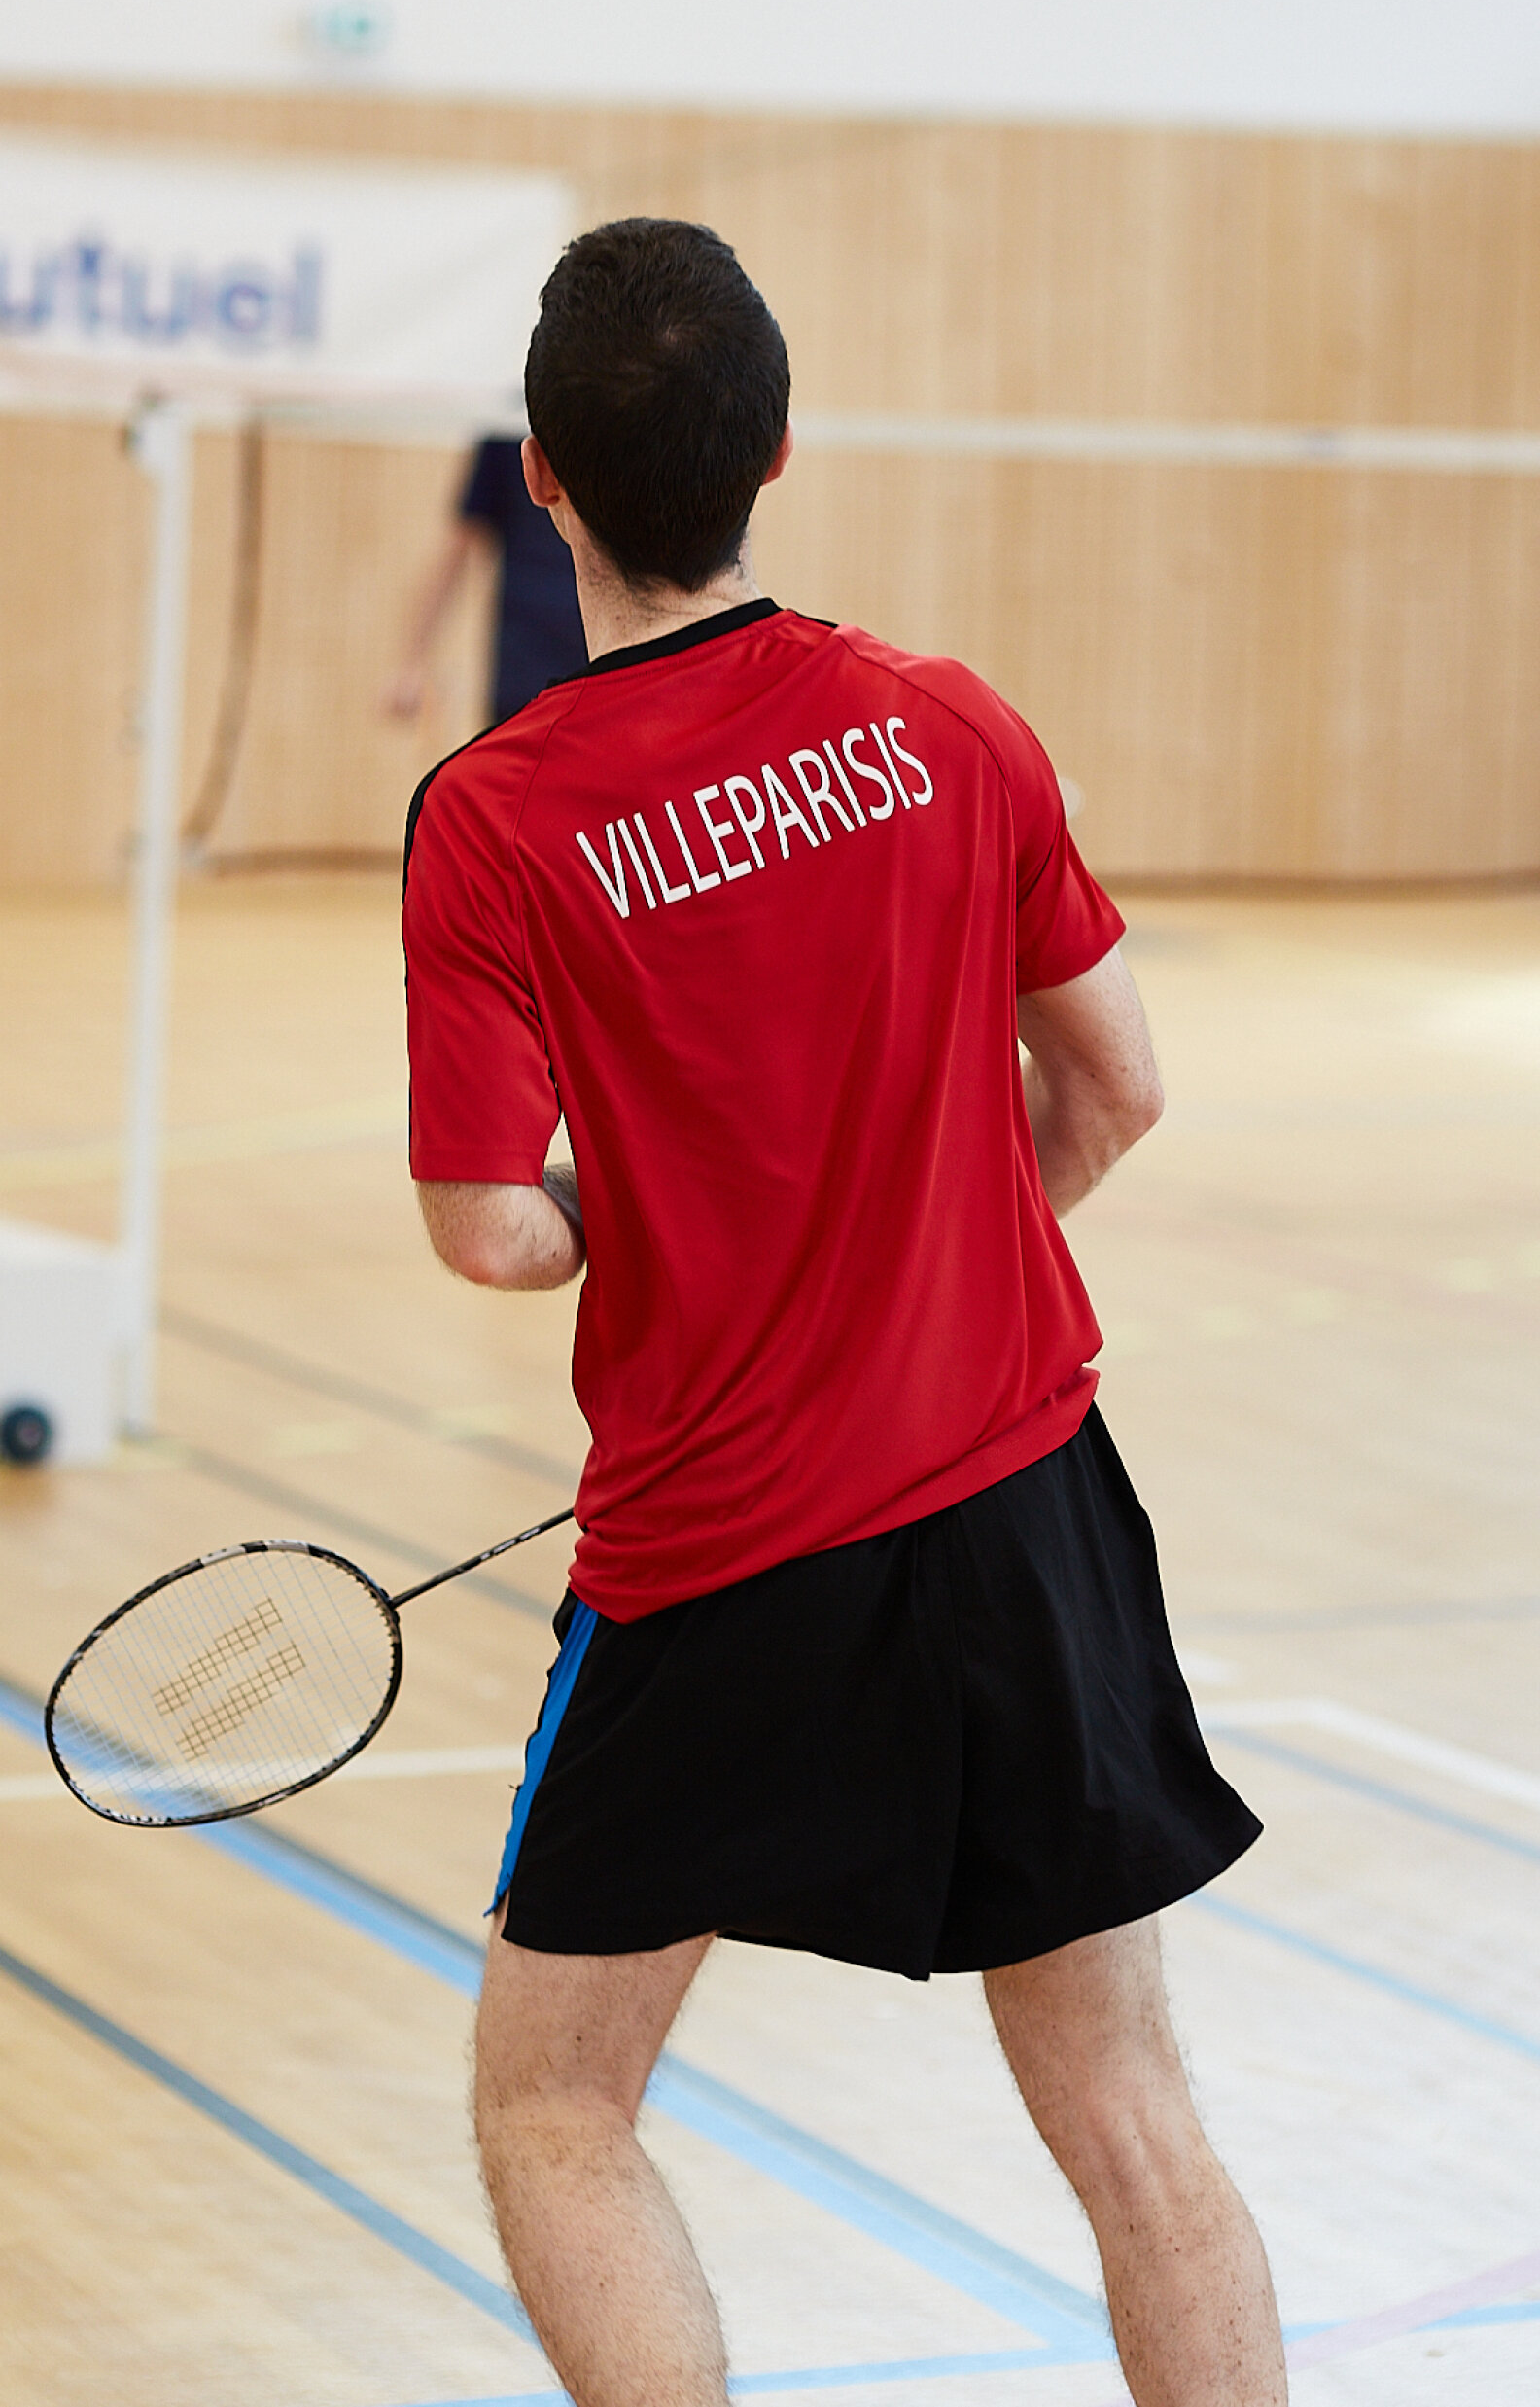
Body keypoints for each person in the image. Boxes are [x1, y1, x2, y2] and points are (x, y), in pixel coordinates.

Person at [402, 219, 1285, 2407]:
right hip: (1022, 1512)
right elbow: (1118, 1087)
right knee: (1131, 2114)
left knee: (558, 2104)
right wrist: (921, 1252)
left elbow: (493, 1234)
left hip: (718, 1566)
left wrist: (663, 1232)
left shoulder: (496, 820)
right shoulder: (945, 724)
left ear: (543, 474)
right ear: (778, 452)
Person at [384, 431, 588, 727]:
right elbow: (458, 547)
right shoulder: (506, 432)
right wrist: (412, 661)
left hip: (602, 671)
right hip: (524, 674)